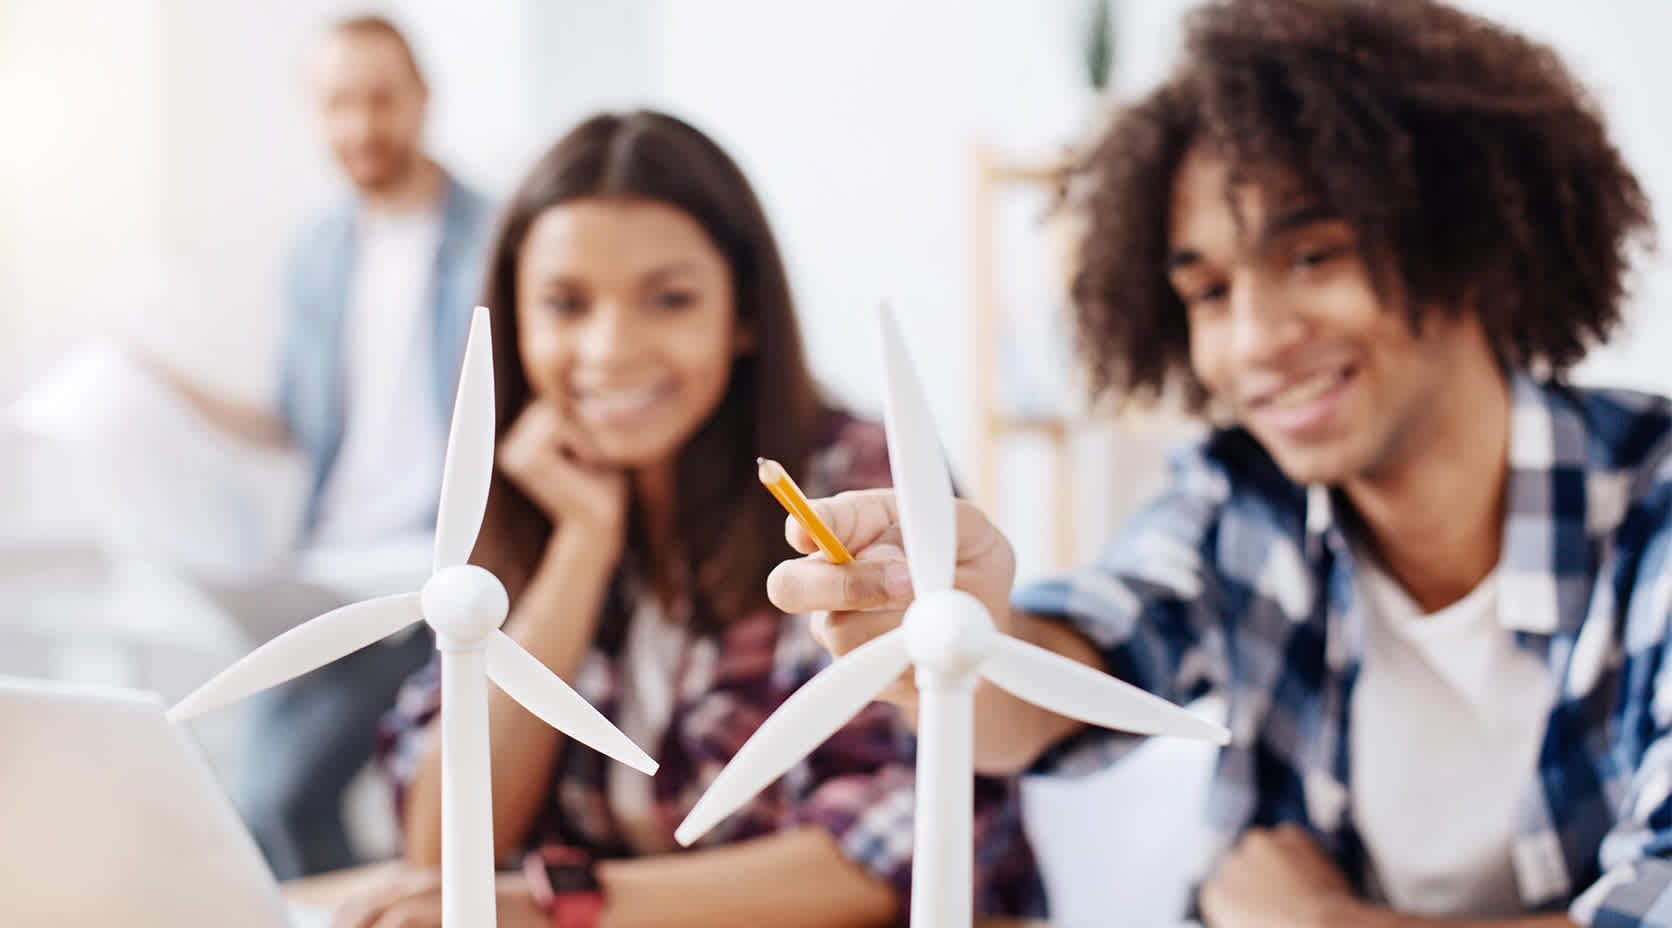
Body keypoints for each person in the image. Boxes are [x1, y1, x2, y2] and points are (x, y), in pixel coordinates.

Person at [766, 1, 1672, 926]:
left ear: (1468, 236)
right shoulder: (1240, 501)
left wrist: (1330, 925)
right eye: (1207, 289)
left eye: (1314, 255)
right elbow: (1063, 687)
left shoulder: (1656, 510)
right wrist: (957, 637)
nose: (1254, 342)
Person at [332, 110, 1045, 927]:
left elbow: (894, 847)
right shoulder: (520, 497)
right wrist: (581, 550)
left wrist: (558, 908)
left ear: (742, 314)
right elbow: (441, 847)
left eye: (668, 299)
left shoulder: (852, 488)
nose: (608, 350)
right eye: (565, 305)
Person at [144, 14, 495, 879]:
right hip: (326, 569)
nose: (362, 125)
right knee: (247, 803)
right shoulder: (318, 252)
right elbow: (297, 419)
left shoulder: (494, 237)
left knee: (287, 794)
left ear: (422, 100)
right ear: (315, 112)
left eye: (382, 98)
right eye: (340, 102)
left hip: (426, 572)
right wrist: (164, 395)